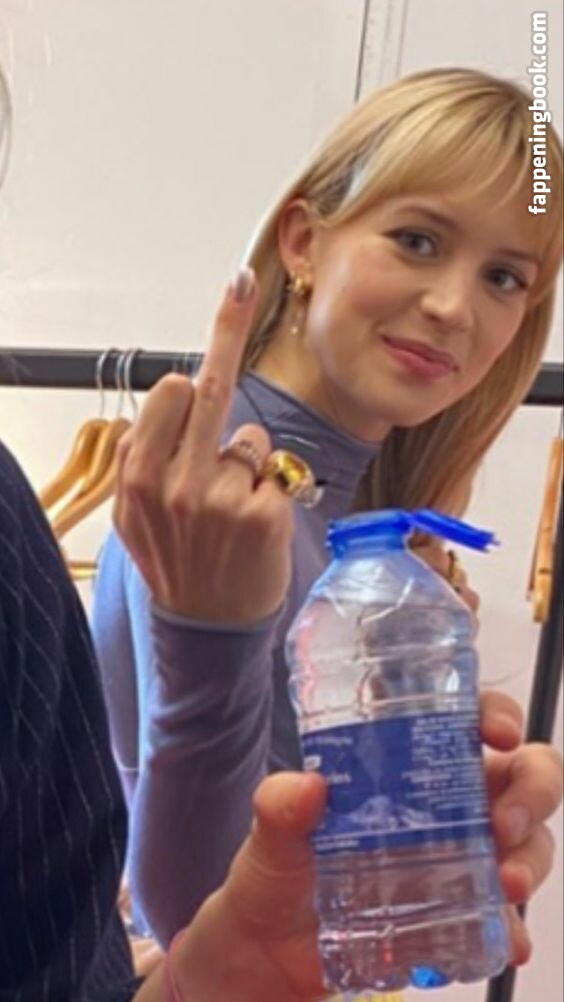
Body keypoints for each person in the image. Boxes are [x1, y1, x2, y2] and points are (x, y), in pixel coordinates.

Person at [0, 64, 561, 1000]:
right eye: (417, 240)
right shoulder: (212, 490)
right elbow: (197, 913)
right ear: (303, 242)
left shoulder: (371, 530)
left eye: (504, 277)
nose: (455, 307)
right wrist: (213, 639)